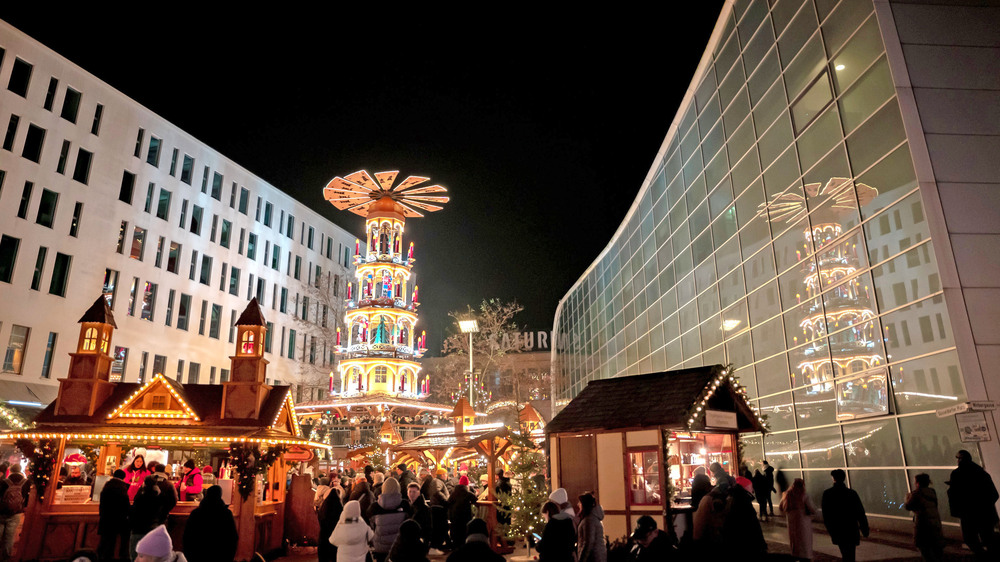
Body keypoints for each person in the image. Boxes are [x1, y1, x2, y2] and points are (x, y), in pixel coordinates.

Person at [947, 449, 999, 556]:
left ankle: (982, 555)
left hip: (968, 514)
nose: (957, 461)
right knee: (988, 538)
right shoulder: (981, 473)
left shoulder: (957, 474)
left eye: (959, 458)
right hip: (985, 513)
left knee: (970, 538)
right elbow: (994, 494)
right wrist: (986, 506)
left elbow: (954, 494)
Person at [822, 469, 869, 562]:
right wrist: (865, 529)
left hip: (837, 528)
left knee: (844, 552)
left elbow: (826, 515)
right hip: (851, 528)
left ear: (833, 478)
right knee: (850, 554)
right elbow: (860, 512)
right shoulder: (852, 493)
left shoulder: (828, 494)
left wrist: (830, 530)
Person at [183, 485, 237, 562]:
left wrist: (189, 556)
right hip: (220, 556)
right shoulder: (226, 513)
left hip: (198, 555)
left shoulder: (196, 513)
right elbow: (232, 537)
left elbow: (187, 537)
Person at [368, 477, 410, 562]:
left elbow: (371, 524)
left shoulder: (375, 507)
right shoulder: (404, 504)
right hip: (399, 545)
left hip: (380, 546)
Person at [905, 473, 944, 562]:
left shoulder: (916, 494)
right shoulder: (932, 492)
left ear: (918, 483)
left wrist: (907, 498)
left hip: (923, 523)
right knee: (935, 546)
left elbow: (908, 506)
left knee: (923, 545)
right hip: (934, 521)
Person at [98, 469, 131, 561]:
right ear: (123, 477)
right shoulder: (122, 488)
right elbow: (125, 504)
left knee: (105, 542)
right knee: (117, 542)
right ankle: (120, 557)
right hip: (118, 520)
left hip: (105, 518)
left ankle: (102, 558)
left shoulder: (107, 486)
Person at [780, 478, 816, 561]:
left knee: (794, 539)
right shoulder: (804, 495)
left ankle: (795, 554)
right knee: (804, 540)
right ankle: (806, 556)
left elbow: (781, 507)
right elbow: (812, 508)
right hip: (803, 520)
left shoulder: (787, 494)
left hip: (791, 520)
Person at [0, 464, 29, 561]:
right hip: (16, 513)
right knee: (10, 536)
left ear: (10, 470)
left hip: (2, 512)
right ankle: (6, 557)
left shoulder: (4, 482)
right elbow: (26, 497)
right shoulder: (26, 482)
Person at [129, 476, 162, 560]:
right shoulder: (158, 495)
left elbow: (134, 510)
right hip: (152, 527)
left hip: (138, 528)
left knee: (135, 555)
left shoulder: (140, 496)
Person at [446, 475, 476, 549]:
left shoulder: (454, 493)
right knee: (463, 532)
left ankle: (455, 546)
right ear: (467, 484)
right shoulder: (467, 493)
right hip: (465, 517)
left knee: (456, 531)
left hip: (454, 516)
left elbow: (448, 502)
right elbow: (475, 500)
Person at [317, 481, 344, 562]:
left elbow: (320, 518)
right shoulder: (338, 507)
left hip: (323, 535)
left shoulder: (324, 506)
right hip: (335, 535)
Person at [576, 492, 606, 562]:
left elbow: (588, 542)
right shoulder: (592, 518)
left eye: (580, 503)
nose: (578, 505)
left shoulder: (589, 520)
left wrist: (582, 559)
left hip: (592, 558)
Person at [406, 482, 433, 547]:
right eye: (410, 492)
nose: (412, 494)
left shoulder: (423, 508)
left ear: (419, 493)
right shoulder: (409, 505)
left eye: (414, 492)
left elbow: (427, 527)